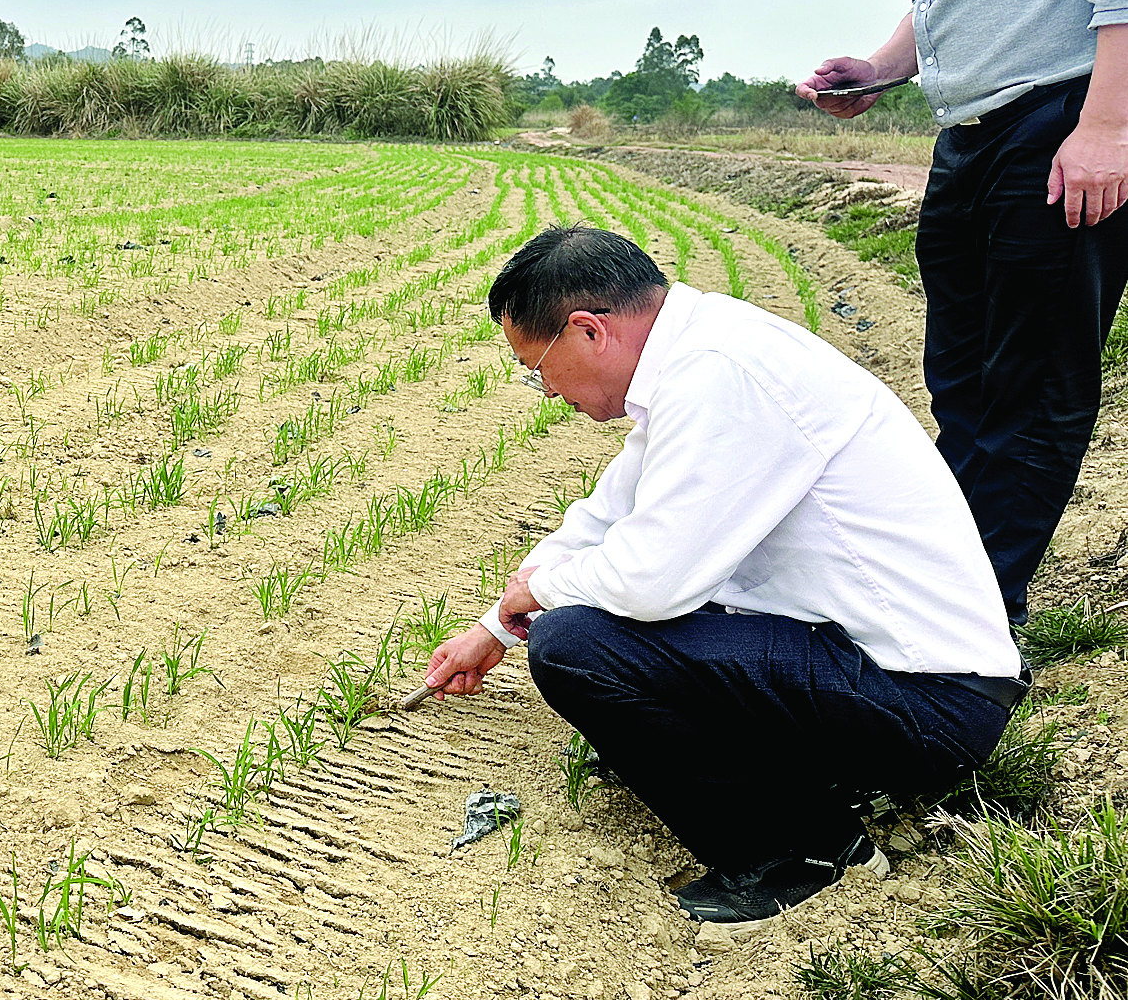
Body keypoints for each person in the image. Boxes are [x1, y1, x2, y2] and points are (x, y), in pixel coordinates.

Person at [423, 226, 1026, 924]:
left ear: (589, 330)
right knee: (601, 624)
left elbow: (650, 579)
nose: (546, 390)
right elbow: (610, 512)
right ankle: (805, 782)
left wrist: (545, 594)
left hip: (929, 703)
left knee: (576, 646)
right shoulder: (702, 353)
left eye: (537, 368)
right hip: (887, 668)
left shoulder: (723, 375)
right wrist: (494, 625)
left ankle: (806, 846)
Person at [778, 0, 1128, 626]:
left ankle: (969, 626)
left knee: (1033, 386)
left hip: (1067, 116)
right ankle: (949, 588)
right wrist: (883, 69)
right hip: (971, 133)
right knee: (963, 383)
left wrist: (1109, 126)